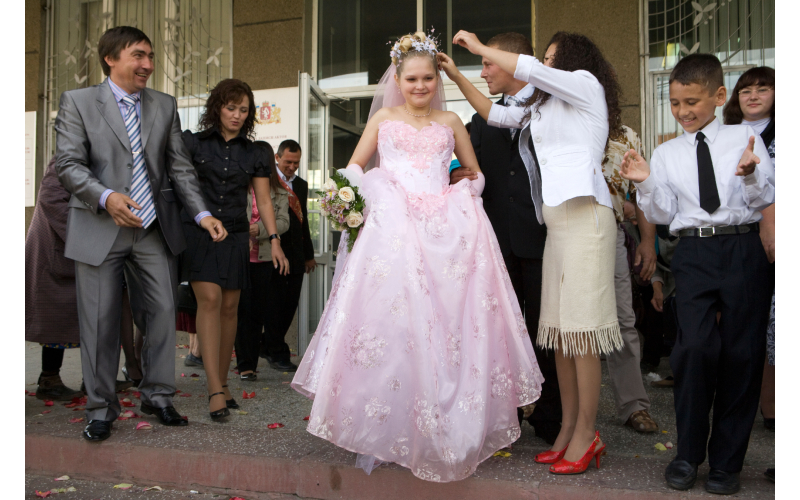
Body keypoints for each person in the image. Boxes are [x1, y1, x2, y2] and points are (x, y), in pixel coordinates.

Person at [291, 30, 543, 483]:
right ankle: (388, 425)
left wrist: (466, 191)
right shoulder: (383, 118)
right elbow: (355, 165)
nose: (421, 86)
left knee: (444, 326)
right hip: (392, 227)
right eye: (412, 79)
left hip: (441, 227)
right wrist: (353, 191)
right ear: (398, 79)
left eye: (428, 78)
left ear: (437, 78)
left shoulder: (451, 122)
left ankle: (444, 424)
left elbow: (476, 174)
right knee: (393, 326)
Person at [440, 30, 623, 474]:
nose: (543, 65)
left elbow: (530, 70)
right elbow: (491, 113)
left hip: (588, 219)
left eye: (549, 59)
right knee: (559, 334)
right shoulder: (541, 107)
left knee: (582, 335)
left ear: (572, 61)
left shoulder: (585, 87)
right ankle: (566, 431)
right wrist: (455, 74)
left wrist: (482, 49)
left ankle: (587, 433)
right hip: (556, 224)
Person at [55, 26, 227, 441]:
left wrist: (202, 213)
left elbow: (179, 167)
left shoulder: (163, 106)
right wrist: (106, 196)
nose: (148, 65)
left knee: (164, 311)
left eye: (150, 56)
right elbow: (68, 165)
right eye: (138, 55)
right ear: (111, 58)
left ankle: (158, 395)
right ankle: (100, 408)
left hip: (153, 229)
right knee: (99, 321)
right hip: (100, 226)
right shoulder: (77, 103)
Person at [620, 53, 774, 495]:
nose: (683, 111)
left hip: (743, 247)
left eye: (692, 101)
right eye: (675, 103)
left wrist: (748, 175)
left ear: (718, 96)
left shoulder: (744, 136)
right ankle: (687, 454)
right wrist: (647, 181)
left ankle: (727, 463)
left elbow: (765, 195)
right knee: (694, 351)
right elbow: (665, 212)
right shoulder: (667, 151)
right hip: (694, 253)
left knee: (742, 356)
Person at [449, 32, 561, 445]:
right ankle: (504, 415)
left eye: (488, 65)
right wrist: (456, 174)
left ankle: (552, 417)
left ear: (513, 62)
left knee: (546, 332)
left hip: (545, 237)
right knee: (497, 332)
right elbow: (461, 169)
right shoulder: (479, 121)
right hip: (495, 244)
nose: (484, 73)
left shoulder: (552, 105)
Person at [181, 79, 290, 421]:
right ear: (217, 108)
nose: (237, 115)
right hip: (200, 233)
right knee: (210, 301)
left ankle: (224, 383)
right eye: (231, 108)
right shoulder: (193, 143)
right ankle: (214, 389)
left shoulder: (256, 152)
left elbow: (263, 201)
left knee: (230, 308)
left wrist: (274, 240)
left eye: (244, 110)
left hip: (237, 236)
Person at [722, 66, 775, 432]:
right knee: (748, 326)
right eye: (745, 90)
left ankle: (774, 412)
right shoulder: (722, 136)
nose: (753, 95)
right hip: (737, 239)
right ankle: (762, 406)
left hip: (777, 235)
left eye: (762, 89)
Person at [600, 126, 660, 433]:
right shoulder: (556, 119)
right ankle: (558, 410)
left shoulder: (625, 136)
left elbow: (640, 192)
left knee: (624, 321)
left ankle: (634, 405)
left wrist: (647, 242)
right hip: (563, 233)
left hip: (611, 234)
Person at [26, 156, 84, 401]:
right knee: (54, 316)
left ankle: (92, 378)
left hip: (69, 248)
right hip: (54, 248)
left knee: (64, 316)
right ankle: (49, 378)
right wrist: (86, 236)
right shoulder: (66, 157)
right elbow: (50, 198)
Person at [235, 141, 291, 381]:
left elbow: (284, 222)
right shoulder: (239, 187)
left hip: (265, 257)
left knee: (256, 312)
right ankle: (243, 364)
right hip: (238, 257)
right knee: (238, 310)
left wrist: (258, 229)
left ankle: (250, 363)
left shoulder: (279, 191)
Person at [262, 140, 315, 372]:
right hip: (274, 252)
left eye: (296, 163)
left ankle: (268, 345)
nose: (292, 167)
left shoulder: (301, 185)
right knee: (274, 304)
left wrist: (309, 255)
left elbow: (304, 224)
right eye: (287, 162)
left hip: (296, 254)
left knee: (290, 304)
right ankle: (277, 352)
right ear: (277, 157)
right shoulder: (266, 182)